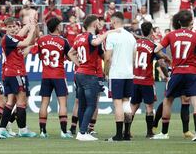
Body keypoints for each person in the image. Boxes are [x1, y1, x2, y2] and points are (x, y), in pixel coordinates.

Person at [152, 10, 196, 141]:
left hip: (176, 72)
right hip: (191, 72)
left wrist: (166, 57)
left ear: (178, 22)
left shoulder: (171, 35)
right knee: (194, 101)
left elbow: (156, 50)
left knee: (167, 101)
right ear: (191, 22)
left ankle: (164, 133)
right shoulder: (194, 36)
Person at [70, 15, 113, 141]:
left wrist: (79, 64)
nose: (100, 25)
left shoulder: (79, 37)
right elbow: (95, 42)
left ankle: (81, 132)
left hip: (79, 73)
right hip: (89, 74)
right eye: (98, 23)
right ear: (94, 25)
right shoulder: (91, 36)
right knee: (91, 105)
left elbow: (70, 53)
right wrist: (108, 32)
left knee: (82, 105)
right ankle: (83, 132)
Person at [0, 17, 37, 138]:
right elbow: (27, 42)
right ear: (5, 28)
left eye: (14, 26)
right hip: (16, 72)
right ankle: (23, 129)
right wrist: (32, 29)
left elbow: (29, 40)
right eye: (9, 27)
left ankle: (2, 128)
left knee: (10, 102)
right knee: (21, 102)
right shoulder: (8, 38)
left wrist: (30, 25)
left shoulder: (11, 38)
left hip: (9, 73)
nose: (13, 29)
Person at [130, 22, 169, 138]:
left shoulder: (136, 43)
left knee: (133, 106)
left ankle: (126, 131)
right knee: (149, 107)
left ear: (142, 31)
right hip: (147, 80)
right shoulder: (152, 46)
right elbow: (161, 61)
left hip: (135, 79)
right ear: (151, 31)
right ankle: (149, 132)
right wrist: (167, 62)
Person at [36, 17, 74, 139]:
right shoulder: (63, 41)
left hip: (46, 75)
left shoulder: (41, 40)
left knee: (44, 103)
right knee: (62, 103)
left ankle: (42, 131)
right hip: (58, 75)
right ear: (57, 27)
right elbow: (69, 57)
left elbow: (40, 57)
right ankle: (63, 132)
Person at [104, 12, 137, 141]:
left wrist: (106, 72)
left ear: (113, 22)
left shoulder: (112, 36)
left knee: (117, 103)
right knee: (126, 102)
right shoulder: (131, 37)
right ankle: (127, 133)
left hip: (116, 74)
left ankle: (118, 135)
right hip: (129, 73)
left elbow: (107, 58)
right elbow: (134, 58)